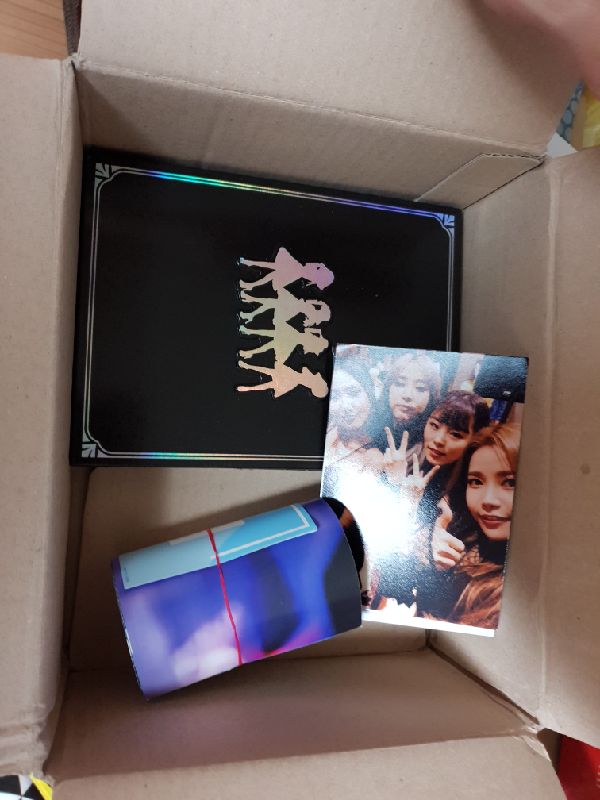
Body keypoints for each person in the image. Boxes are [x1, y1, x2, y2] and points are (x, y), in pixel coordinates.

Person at [417, 423, 520, 629]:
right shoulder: (468, 537)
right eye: (476, 482)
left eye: (509, 483)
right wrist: (422, 548)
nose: (488, 500)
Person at [377, 352, 442, 465]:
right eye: (400, 384)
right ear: (388, 388)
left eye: (420, 388)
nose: (408, 395)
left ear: (431, 397)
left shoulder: (434, 447)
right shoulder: (369, 428)